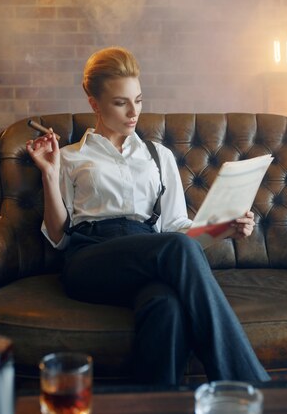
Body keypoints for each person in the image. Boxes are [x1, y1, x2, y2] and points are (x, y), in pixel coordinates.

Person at [26, 46, 270, 386]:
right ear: (94, 103)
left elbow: (174, 227)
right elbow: (58, 236)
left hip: (149, 256)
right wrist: (49, 174)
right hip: (90, 259)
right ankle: (253, 387)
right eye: (120, 102)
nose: (133, 112)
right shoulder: (69, 157)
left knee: (166, 307)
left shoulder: (159, 156)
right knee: (175, 248)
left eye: (138, 100)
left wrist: (225, 229)